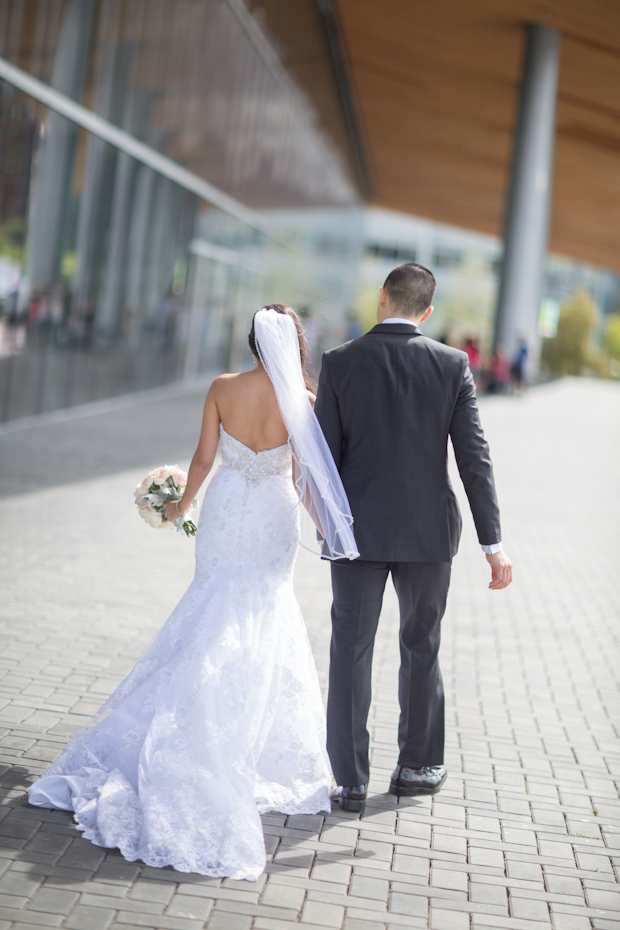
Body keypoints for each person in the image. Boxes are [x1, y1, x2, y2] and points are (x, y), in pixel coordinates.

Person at [27, 305, 358, 880]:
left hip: (227, 513)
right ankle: (248, 740)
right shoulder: (302, 400)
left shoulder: (222, 387)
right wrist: (331, 530)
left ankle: (193, 717)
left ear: (250, 342)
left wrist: (180, 507)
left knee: (211, 605)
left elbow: (204, 458)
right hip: (273, 520)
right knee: (266, 614)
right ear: (294, 344)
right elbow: (306, 477)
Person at [315, 263, 513, 812]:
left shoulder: (340, 362)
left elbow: (324, 460)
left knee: (349, 650)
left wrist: (324, 527)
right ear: (426, 312)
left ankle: (347, 780)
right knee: (421, 644)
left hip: (355, 530)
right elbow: (474, 458)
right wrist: (492, 543)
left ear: (382, 298)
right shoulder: (452, 365)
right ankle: (417, 768)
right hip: (429, 532)